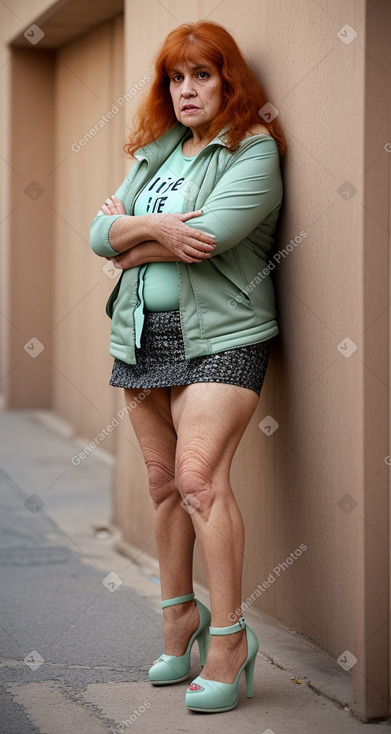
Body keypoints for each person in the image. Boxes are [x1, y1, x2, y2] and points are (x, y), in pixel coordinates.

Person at [90, 19, 286, 714]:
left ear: (227, 79)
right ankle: (179, 622)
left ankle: (230, 642)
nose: (186, 90)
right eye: (176, 78)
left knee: (199, 481)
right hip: (141, 332)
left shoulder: (251, 150)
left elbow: (209, 237)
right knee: (162, 485)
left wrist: (134, 239)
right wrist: (154, 231)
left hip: (223, 334)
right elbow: (95, 233)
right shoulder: (158, 152)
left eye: (202, 74)